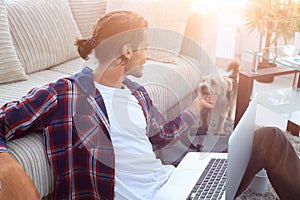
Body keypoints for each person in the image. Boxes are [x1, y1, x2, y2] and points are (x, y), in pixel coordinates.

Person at [0, 10, 299, 200]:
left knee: (269, 139)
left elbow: (164, 135)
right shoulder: (65, 94)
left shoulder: (136, 93)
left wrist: (197, 105)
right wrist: (8, 166)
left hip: (172, 183)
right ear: (127, 51)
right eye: (145, 47)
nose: (149, 55)